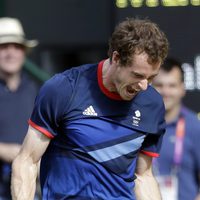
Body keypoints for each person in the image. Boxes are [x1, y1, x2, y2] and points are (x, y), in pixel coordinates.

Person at [11, 18, 168, 200]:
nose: (144, 85)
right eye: (137, 75)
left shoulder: (152, 104)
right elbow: (27, 161)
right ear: (116, 58)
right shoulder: (64, 89)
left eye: (151, 77)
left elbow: (143, 176)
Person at [0, 17, 38, 199]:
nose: (11, 53)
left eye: (16, 47)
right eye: (4, 47)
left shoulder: (35, 90)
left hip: (28, 186)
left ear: (24, 52)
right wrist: (3, 150)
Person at [152, 57, 200, 200]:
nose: (165, 92)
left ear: (182, 89)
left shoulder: (195, 126)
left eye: (172, 85)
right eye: (159, 85)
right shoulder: (136, 124)